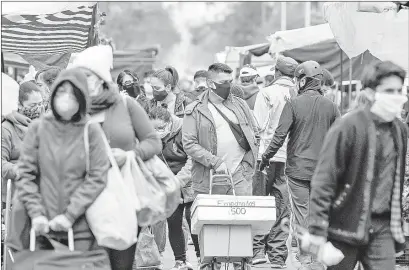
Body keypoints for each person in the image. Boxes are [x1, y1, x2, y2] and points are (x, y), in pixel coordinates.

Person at [308, 61, 408, 270]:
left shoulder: (399, 130)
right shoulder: (348, 126)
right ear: (370, 93)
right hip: (344, 223)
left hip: (383, 226)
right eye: (389, 90)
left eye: (400, 90)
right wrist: (317, 230)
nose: (397, 96)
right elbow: (324, 180)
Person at [70, 45, 162, 270]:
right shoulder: (69, 109)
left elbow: (153, 141)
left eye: (88, 75)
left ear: (101, 77)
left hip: (124, 196)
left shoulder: (125, 104)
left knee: (121, 264)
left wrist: (132, 154)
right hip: (83, 198)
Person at [16, 68, 110, 251]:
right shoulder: (38, 129)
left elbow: (98, 176)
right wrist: (37, 214)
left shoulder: (91, 131)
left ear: (82, 98)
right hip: (40, 227)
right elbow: (25, 173)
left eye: (73, 94)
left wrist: (70, 215)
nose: (66, 98)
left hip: (83, 227)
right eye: (61, 92)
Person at [260, 60, 340, 270]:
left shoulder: (293, 104)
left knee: (302, 215)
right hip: (323, 171)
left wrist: (265, 158)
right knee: (319, 213)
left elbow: (278, 136)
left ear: (303, 81)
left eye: (297, 79)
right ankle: (317, 259)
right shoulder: (331, 106)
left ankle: (306, 260)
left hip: (297, 171)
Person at [182, 63, 259, 269]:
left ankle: (242, 263)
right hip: (208, 176)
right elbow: (189, 144)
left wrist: (247, 162)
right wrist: (215, 162)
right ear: (210, 83)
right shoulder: (195, 109)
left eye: (230, 81)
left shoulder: (240, 104)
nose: (228, 86)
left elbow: (254, 132)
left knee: (242, 222)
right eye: (223, 82)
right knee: (210, 224)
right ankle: (208, 263)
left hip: (240, 174)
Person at [251, 55, 298, 269]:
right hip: (289, 159)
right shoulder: (298, 95)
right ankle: (278, 257)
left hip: (265, 157)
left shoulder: (267, 93)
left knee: (260, 203)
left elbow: (258, 127)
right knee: (282, 207)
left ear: (277, 72)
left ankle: (257, 250)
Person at [149, 105, 200, 270]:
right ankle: (180, 261)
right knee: (173, 221)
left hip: (190, 181)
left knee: (195, 221)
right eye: (153, 128)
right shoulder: (150, 136)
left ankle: (202, 257)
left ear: (169, 122)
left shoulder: (184, 130)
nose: (158, 131)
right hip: (169, 185)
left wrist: (179, 181)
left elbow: (193, 159)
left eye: (161, 128)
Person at [2, 81, 44, 210]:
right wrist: (20, 170)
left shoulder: (46, 126)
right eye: (33, 105)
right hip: (14, 198)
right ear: (19, 105)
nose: (38, 108)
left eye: (41, 104)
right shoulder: (6, 129)